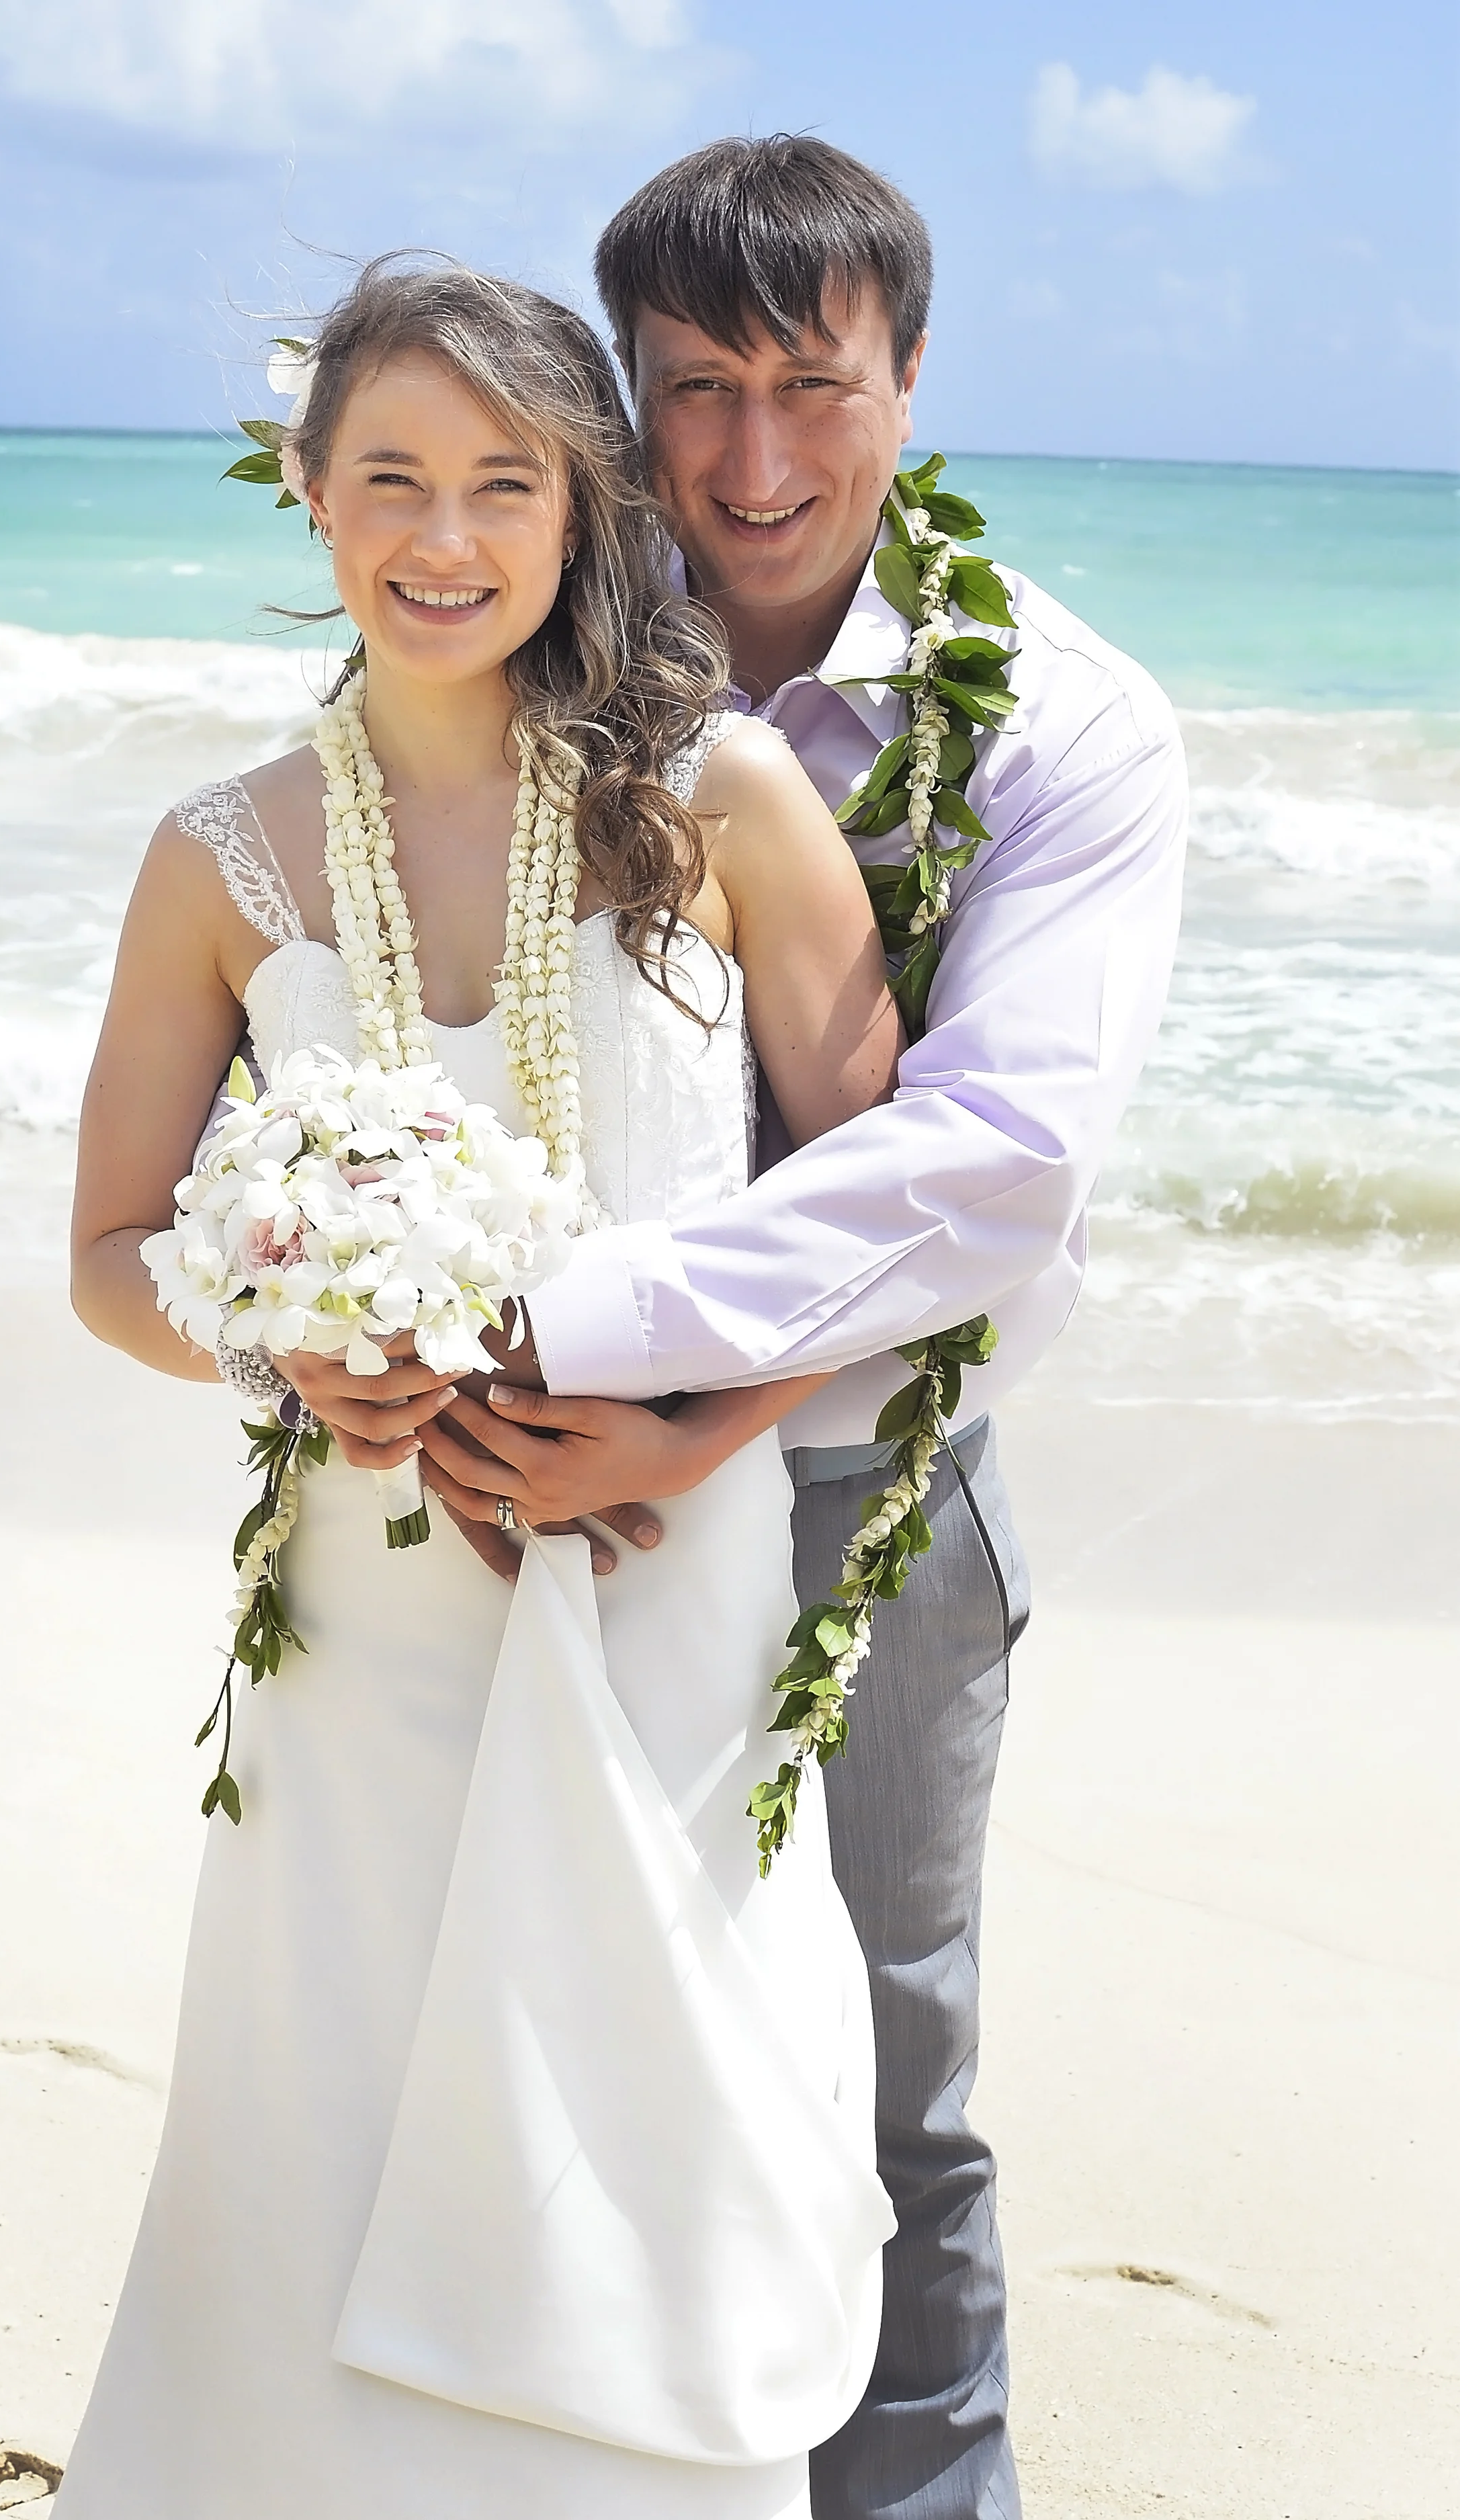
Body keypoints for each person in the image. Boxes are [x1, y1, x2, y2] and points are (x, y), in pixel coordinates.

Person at [61, 256, 910, 2517]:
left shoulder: (715, 796)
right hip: (362, 1605)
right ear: (308, 494)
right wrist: (282, 1341)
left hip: (669, 1580)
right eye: (389, 479)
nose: (442, 535)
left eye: (502, 484)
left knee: (650, 2108)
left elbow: (890, 1206)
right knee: (322, 2100)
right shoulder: (220, 857)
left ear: (583, 505)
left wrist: (697, 1423)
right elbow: (107, 1255)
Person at [394, 139, 1189, 2520]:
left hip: (861, 1495)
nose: (755, 463)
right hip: (499, 1480)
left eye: (813, 386)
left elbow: (992, 1167)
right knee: (504, 2038)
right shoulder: (507, 625)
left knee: (875, 2076)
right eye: (696, 392)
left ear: (910, 377)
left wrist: (630, 1366)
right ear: (623, 408)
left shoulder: (1061, 721)